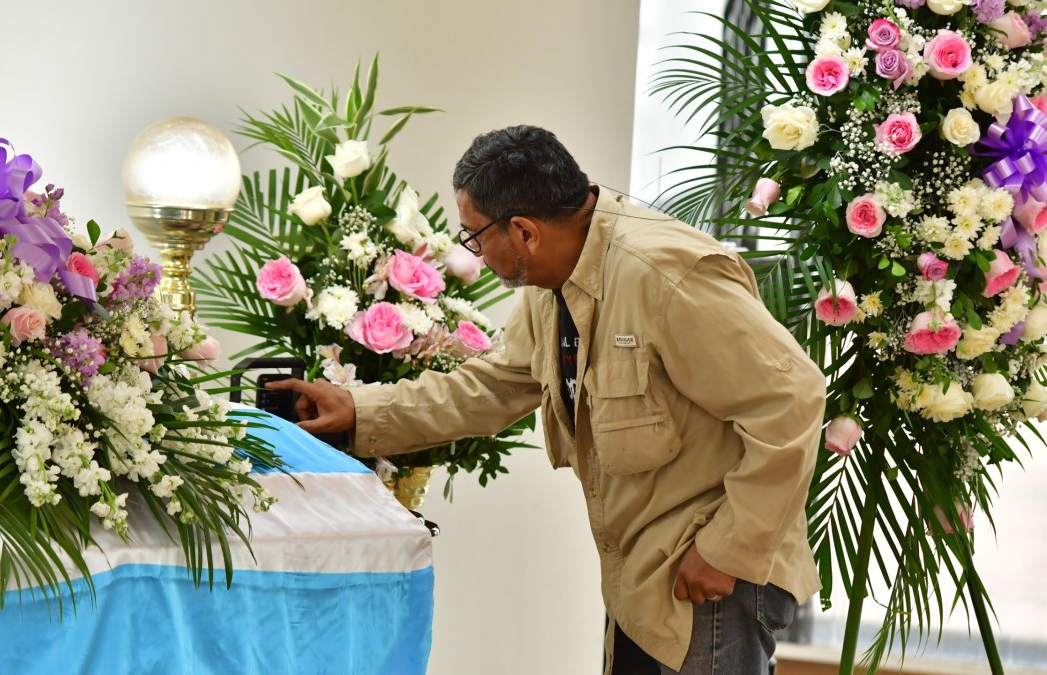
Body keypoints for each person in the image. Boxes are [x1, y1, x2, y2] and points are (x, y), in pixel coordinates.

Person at [267, 125, 826, 675]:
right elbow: (491, 386)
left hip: (709, 575)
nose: (476, 254)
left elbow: (791, 399)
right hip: (644, 575)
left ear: (524, 231)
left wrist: (727, 550)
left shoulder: (664, 273)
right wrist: (359, 411)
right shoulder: (558, 280)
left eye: (474, 236)